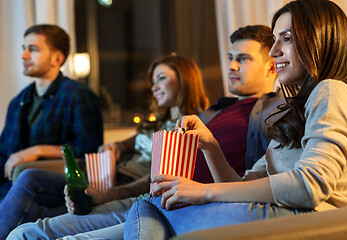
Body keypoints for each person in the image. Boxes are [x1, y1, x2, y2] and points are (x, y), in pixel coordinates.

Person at [7, 25, 281, 240]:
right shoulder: (212, 113)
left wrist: (112, 192)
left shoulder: (274, 112)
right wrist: (111, 186)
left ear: (271, 65)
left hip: (176, 205)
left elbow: (266, 179)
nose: (231, 66)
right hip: (148, 198)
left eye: (242, 59)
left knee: (29, 220)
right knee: (25, 231)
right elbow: (158, 172)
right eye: (230, 58)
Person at [123, 0, 347, 239]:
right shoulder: (295, 110)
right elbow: (240, 185)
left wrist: (205, 192)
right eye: (275, 39)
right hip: (284, 214)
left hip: (306, 220)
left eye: (286, 38)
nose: (273, 50)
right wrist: (211, 147)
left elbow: (311, 185)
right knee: (148, 210)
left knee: (150, 207)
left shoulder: (331, 91)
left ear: (321, 41)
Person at [4, 54, 209, 239]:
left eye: (162, 78)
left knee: (32, 203)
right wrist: (115, 147)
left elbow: (161, 179)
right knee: (31, 180)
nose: (154, 86)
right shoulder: (153, 123)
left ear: (185, 80)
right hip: (111, 175)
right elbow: (126, 143)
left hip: (130, 185)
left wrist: (113, 192)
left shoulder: (195, 126)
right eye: (152, 81)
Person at [0, 24, 103, 197]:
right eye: (24, 48)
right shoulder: (18, 101)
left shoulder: (78, 95)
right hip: (8, 187)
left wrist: (38, 150)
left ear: (57, 58)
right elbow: (3, 152)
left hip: (51, 188)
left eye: (33, 49)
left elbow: (90, 149)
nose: (24, 56)